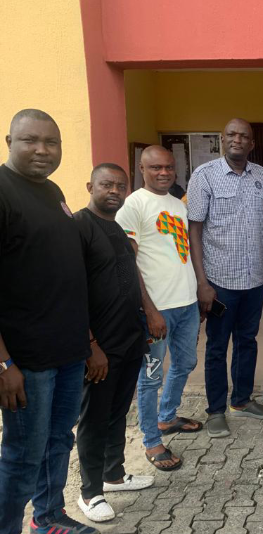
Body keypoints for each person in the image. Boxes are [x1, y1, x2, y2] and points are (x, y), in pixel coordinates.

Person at [0, 109, 97, 534]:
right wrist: (3, 364)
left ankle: (50, 517)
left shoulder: (52, 189)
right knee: (23, 454)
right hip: (27, 360)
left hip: (68, 351)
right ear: (9, 142)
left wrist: (88, 340)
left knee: (59, 441)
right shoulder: (2, 192)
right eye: (30, 140)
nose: (42, 149)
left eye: (51, 142)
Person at [187, 118, 263, 438]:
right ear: (222, 139)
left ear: (251, 144)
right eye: (231, 134)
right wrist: (202, 282)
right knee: (218, 347)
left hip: (254, 278)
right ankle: (215, 410)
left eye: (244, 136)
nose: (237, 140)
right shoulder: (204, 176)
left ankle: (242, 400)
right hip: (219, 281)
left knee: (248, 342)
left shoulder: (262, 177)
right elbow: (195, 231)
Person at [74, 164, 154, 522]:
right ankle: (90, 493)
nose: (114, 191)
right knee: (94, 417)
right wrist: (91, 346)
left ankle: (114, 474)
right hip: (100, 347)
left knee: (118, 411)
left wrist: (148, 315)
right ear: (91, 186)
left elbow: (130, 278)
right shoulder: (78, 227)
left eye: (120, 186)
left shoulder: (117, 228)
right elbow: (69, 292)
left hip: (129, 339)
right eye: (107, 185)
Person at [116, 145, 203, 472]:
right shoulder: (133, 205)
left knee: (185, 362)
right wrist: (148, 310)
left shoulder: (176, 204)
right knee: (151, 375)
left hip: (186, 304)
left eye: (168, 167)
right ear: (142, 169)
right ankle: (151, 439)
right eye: (156, 168)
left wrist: (197, 292)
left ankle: (167, 417)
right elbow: (128, 263)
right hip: (156, 310)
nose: (164, 173)